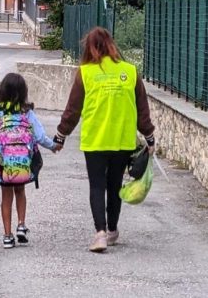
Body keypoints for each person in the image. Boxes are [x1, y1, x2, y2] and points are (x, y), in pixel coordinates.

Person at [54, 27, 155, 253]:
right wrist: (149, 138)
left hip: (95, 140)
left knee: (97, 186)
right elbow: (142, 111)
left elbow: (73, 110)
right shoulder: (130, 71)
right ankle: (112, 230)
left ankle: (99, 234)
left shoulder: (85, 73)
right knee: (114, 184)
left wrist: (60, 136)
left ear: (89, 47)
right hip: (122, 140)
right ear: (111, 45)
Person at [0, 73, 59, 249]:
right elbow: (39, 136)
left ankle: (7, 236)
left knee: (6, 197)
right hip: (23, 163)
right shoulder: (27, 113)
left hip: (3, 165)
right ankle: (21, 225)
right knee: (20, 191)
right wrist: (54, 146)